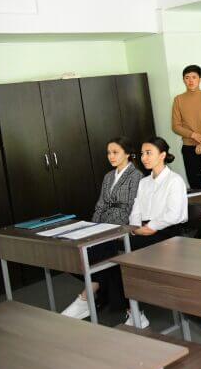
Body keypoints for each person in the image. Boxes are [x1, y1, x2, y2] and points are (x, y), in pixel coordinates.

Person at [61, 137, 144, 320]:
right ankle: (94, 295)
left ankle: (85, 299)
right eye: (108, 153)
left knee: (103, 251)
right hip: (103, 224)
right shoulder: (108, 176)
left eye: (115, 152)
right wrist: (92, 228)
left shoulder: (136, 175)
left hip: (121, 224)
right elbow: (100, 205)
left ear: (127, 154)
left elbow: (132, 206)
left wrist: (122, 229)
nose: (111, 156)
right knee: (78, 251)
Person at [126, 137, 189, 328]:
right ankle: (133, 309)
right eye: (142, 154)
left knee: (130, 255)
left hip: (167, 232)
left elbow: (173, 215)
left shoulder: (174, 180)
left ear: (162, 155)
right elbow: (136, 209)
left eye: (149, 153)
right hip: (143, 230)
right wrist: (135, 227)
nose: (144, 158)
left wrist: (150, 227)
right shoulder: (144, 182)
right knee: (113, 249)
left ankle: (136, 310)